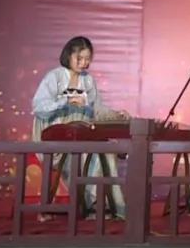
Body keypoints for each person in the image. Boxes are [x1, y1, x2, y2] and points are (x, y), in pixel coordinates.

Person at [31, 36, 126, 220]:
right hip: (55, 134)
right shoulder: (55, 77)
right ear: (69, 56)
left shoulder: (87, 80)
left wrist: (116, 114)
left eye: (87, 59)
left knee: (107, 151)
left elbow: (96, 109)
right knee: (88, 155)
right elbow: (39, 107)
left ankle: (109, 205)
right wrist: (66, 101)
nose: (84, 63)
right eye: (79, 58)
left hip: (80, 133)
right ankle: (90, 204)